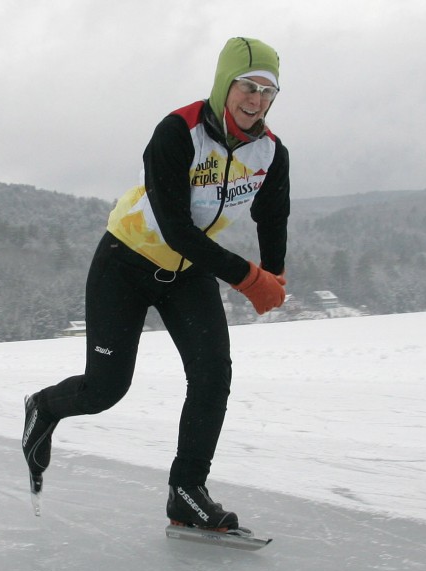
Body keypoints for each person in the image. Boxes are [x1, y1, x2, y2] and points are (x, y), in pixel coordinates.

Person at [22, 36, 289, 531]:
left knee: (213, 376)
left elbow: (273, 216)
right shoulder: (177, 133)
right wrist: (248, 277)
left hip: (187, 274)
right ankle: (44, 406)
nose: (255, 100)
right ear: (224, 84)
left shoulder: (270, 152)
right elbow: (177, 229)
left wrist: (273, 274)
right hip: (125, 263)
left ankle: (187, 491)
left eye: (267, 92)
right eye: (247, 87)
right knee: (105, 390)